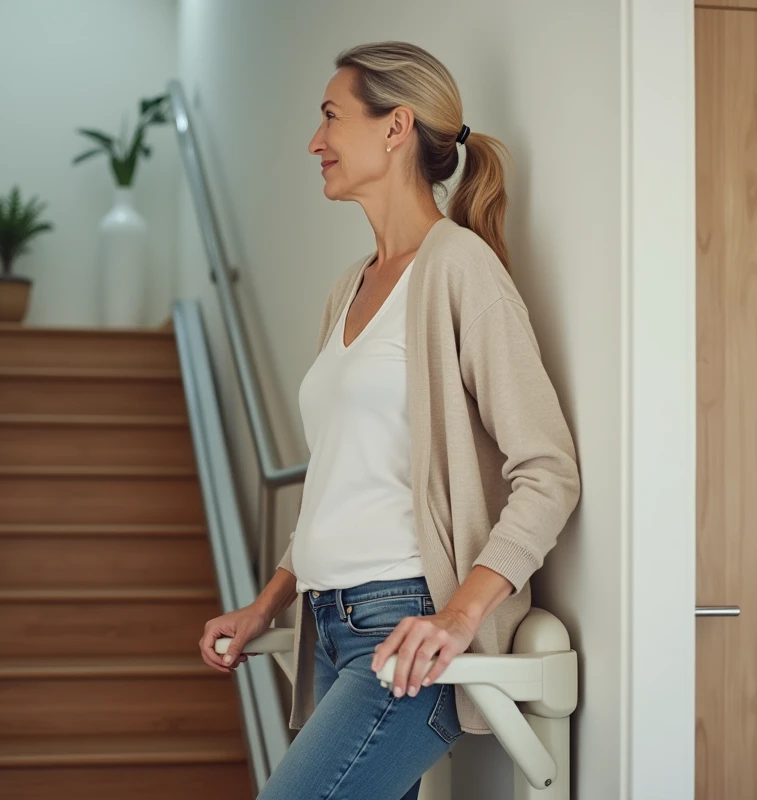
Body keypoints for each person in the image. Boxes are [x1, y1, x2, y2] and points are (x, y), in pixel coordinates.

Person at [198, 40, 580, 800]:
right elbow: (337, 485)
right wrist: (267, 602)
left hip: (403, 625)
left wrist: (458, 616)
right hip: (330, 628)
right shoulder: (347, 289)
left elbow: (549, 472)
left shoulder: (461, 270)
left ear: (395, 126)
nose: (315, 142)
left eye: (331, 117)